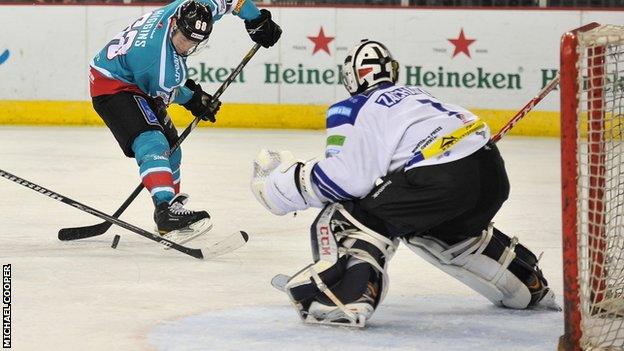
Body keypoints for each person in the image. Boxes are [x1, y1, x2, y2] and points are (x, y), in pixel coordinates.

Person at [251, 39, 558, 327]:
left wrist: (281, 186)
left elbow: (346, 180)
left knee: (351, 216)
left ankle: (345, 298)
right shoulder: (418, 94)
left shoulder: (356, 106)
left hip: (439, 179)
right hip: (490, 172)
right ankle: (527, 284)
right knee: (440, 230)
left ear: (351, 78)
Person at [90, 0, 281, 242]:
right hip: (112, 85)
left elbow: (233, 1)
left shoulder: (194, 7)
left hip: (135, 77)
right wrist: (195, 99)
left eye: (194, 42)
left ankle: (173, 213)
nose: (186, 45)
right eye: (184, 39)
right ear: (174, 26)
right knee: (153, 142)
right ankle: (165, 210)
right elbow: (172, 92)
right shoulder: (158, 63)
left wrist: (256, 19)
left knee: (173, 153)